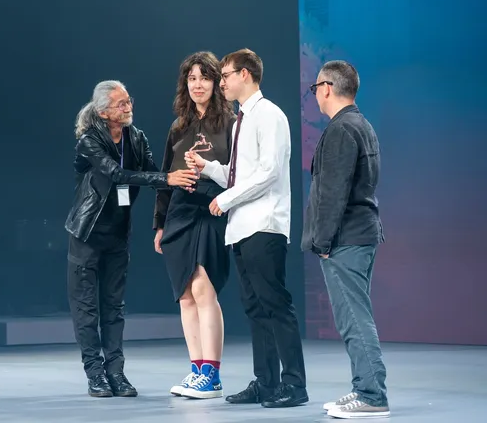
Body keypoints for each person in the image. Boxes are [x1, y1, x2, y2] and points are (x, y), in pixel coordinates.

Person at [185, 48, 308, 408]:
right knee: (255, 308)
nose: (220, 83)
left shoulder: (270, 115)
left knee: (276, 305)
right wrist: (208, 167)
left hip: (264, 225)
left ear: (245, 75)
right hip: (241, 228)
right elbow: (239, 174)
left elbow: (268, 173)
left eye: (225, 76)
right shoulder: (241, 121)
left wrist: (225, 200)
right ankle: (266, 382)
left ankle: (295, 384)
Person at [65, 80, 199, 398]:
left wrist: (181, 175)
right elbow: (115, 174)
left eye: (129, 101)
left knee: (114, 307)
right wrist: (166, 178)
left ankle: (116, 373)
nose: (128, 108)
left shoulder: (135, 137)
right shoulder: (89, 140)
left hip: (117, 234)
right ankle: (95, 374)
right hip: (87, 234)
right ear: (103, 112)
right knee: (87, 309)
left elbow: (151, 172)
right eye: (121, 104)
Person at [302, 60, 389, 419]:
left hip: (345, 239)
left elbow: (333, 193)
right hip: (360, 233)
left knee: (354, 318)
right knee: (356, 315)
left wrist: (322, 242)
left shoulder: (341, 129)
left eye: (315, 88)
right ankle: (364, 388)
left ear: (326, 88)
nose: (314, 95)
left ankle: (371, 395)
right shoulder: (361, 125)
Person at [153, 52, 236, 399]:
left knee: (204, 289)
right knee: (185, 294)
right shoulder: (178, 127)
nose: (197, 85)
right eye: (191, 79)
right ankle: (197, 369)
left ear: (216, 82)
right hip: (179, 214)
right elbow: (165, 177)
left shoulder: (231, 123)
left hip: (211, 210)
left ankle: (212, 375)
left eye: (204, 78)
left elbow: (239, 173)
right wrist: (159, 224)